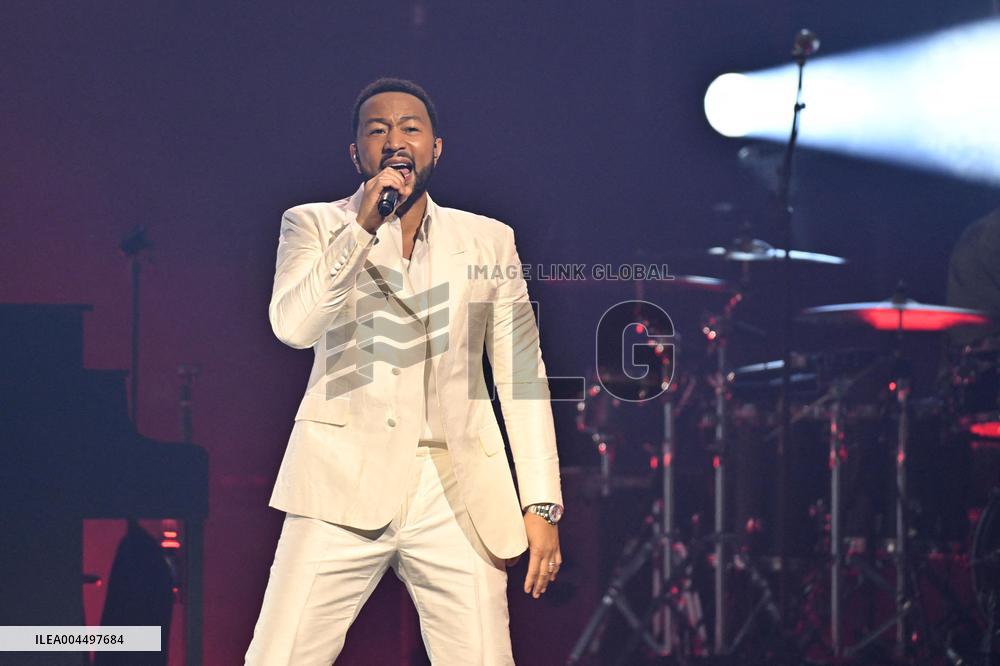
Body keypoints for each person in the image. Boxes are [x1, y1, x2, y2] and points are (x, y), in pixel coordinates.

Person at [245, 78, 564, 665]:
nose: (396, 140)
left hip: (457, 486)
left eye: (410, 128)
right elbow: (293, 326)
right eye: (378, 129)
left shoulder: (489, 240)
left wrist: (541, 502)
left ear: (436, 147)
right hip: (340, 477)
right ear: (356, 154)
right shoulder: (314, 224)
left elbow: (522, 375)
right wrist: (360, 228)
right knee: (280, 656)